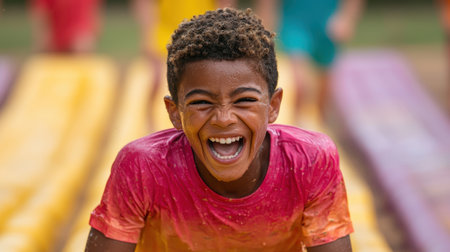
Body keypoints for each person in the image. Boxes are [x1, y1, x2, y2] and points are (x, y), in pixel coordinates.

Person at [85, 8, 353, 251]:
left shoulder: (309, 162)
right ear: (174, 112)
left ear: (273, 106)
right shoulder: (143, 167)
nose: (223, 119)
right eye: (202, 102)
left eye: (244, 100)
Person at [132, 0, 236, 131]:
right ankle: (149, 124)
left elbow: (223, 5)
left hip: (202, 32)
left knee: (203, 83)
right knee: (156, 80)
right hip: (165, 31)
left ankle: (202, 120)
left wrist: (220, 31)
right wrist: (148, 34)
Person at [256, 0, 364, 124]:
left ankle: (323, 121)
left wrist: (346, 18)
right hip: (295, 23)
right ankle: (298, 125)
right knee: (301, 83)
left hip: (327, 25)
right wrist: (264, 27)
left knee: (325, 90)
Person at [29, 0, 102, 53]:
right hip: (54, 41)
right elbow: (41, 17)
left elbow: (94, 15)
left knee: (81, 45)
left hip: (79, 40)